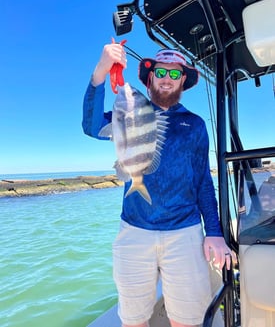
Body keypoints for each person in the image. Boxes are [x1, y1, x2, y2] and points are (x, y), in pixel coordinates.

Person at [82, 42, 234, 327]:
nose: (167, 78)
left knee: (189, 320)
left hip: (185, 233)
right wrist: (100, 73)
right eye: (161, 72)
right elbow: (91, 126)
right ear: (150, 77)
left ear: (183, 82)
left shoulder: (195, 124)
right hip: (134, 231)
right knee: (133, 319)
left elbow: (203, 180)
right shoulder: (130, 113)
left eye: (174, 74)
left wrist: (213, 232)